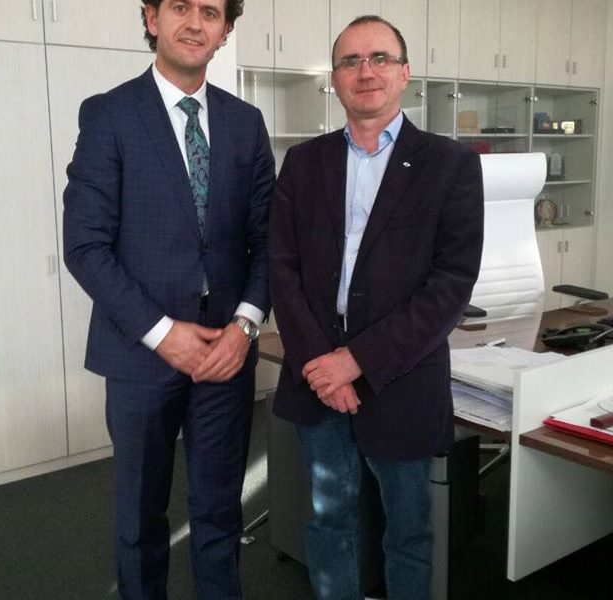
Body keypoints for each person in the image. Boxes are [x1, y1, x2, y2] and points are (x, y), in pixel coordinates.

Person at [62, 1, 275, 598]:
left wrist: (245, 327)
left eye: (210, 11)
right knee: (140, 521)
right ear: (152, 19)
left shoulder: (246, 123)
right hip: (140, 356)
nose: (194, 22)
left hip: (227, 355)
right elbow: (85, 246)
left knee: (219, 514)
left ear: (225, 31)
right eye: (179, 6)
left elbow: (270, 241)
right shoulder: (109, 115)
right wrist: (162, 333)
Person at [269, 15, 484, 600]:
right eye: (351, 61)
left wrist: (356, 361)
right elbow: (281, 270)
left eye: (380, 58)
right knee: (329, 523)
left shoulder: (450, 164)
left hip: (401, 380)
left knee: (407, 533)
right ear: (335, 78)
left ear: (405, 73)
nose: (366, 71)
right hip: (317, 381)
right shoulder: (303, 162)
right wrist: (322, 364)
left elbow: (450, 285)